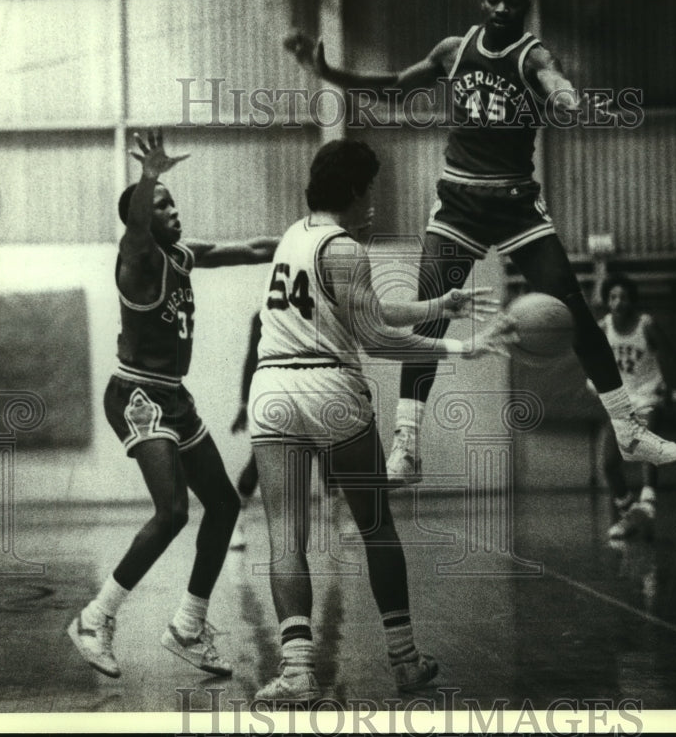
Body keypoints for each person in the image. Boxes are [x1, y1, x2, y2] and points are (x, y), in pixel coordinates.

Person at [285, 0, 676, 487]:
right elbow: (394, 86)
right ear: (483, 1)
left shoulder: (532, 56)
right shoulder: (455, 50)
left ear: (524, 8)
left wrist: (566, 96)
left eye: (512, 3)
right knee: (428, 314)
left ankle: (627, 428)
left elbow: (555, 79)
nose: (502, 9)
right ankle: (407, 443)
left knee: (576, 311)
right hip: (460, 202)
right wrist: (332, 74)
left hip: (516, 202)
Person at [249, 139, 513, 702]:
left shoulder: (294, 236)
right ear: (351, 190)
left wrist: (436, 307)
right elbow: (374, 334)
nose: (373, 201)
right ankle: (404, 659)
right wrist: (462, 347)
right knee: (376, 526)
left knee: (285, 540)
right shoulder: (346, 249)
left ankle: (296, 671)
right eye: (370, 188)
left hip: (271, 389)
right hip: (330, 389)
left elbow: (362, 305)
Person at [68, 130, 278, 679]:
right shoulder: (136, 258)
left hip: (173, 397)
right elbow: (137, 222)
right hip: (136, 394)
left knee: (225, 504)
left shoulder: (182, 256)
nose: (173, 208)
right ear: (143, 216)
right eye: (163, 205)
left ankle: (187, 625)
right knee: (173, 512)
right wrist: (149, 178)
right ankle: (96, 618)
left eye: (172, 200)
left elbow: (253, 249)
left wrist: (308, 235)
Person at [589, 274, 676, 540]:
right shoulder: (604, 327)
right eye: (613, 297)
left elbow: (668, 353)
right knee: (609, 464)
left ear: (632, 301)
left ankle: (649, 500)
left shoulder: (646, 325)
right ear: (608, 301)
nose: (618, 302)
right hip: (620, 400)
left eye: (623, 297)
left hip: (647, 394)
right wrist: (592, 379)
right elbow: (593, 356)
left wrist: (675, 388)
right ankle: (629, 514)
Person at [228, 311, 261, 550]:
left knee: (330, 458)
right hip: (276, 393)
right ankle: (236, 523)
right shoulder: (264, 315)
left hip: (309, 390)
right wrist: (243, 405)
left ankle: (341, 523)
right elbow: (251, 360)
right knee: (258, 461)